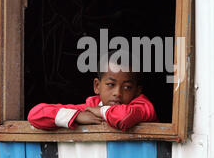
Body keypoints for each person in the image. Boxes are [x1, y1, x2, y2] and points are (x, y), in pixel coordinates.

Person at [27, 51, 158, 131]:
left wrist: (100, 111)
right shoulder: (89, 109)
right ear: (97, 86)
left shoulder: (143, 107)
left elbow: (123, 118)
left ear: (137, 91)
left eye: (127, 87)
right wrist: (77, 116)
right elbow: (35, 115)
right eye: (111, 84)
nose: (117, 93)